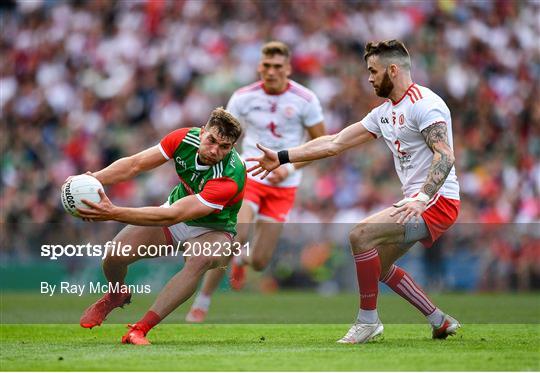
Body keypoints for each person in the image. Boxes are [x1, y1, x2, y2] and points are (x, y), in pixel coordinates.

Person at [247, 40, 461, 343]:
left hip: (436, 200)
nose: (370, 78)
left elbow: (445, 155)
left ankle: (367, 322)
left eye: (373, 71)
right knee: (380, 265)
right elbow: (334, 143)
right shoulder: (384, 113)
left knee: (360, 235)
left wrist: (423, 197)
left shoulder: (425, 104)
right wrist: (283, 156)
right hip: (419, 202)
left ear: (393, 70)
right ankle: (438, 320)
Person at [75, 107, 246, 345]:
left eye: (224, 146)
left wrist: (114, 213)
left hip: (214, 230)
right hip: (176, 211)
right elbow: (135, 164)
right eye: (212, 140)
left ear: (232, 147)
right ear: (201, 132)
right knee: (115, 253)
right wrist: (94, 178)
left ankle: (140, 329)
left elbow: (173, 216)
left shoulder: (230, 175)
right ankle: (116, 294)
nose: (215, 150)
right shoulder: (182, 138)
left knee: (199, 258)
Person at [186, 41, 326, 323]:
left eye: (277, 66)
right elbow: (222, 136)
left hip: (284, 184)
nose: (271, 71)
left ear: (287, 68)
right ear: (259, 66)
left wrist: (289, 167)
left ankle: (241, 261)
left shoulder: (305, 99)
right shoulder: (242, 97)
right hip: (249, 175)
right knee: (235, 236)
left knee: (260, 261)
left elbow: (320, 142)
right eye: (266, 66)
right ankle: (202, 302)